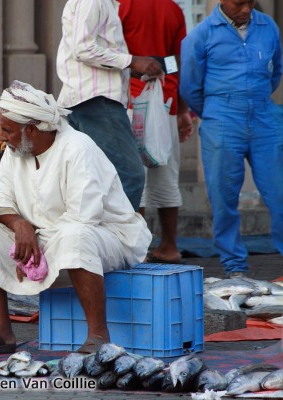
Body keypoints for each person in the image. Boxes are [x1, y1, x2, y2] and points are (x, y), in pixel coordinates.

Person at [0, 81, 152, 354]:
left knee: (76, 237)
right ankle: (1, 330)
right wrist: (20, 227)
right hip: (46, 234)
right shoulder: (16, 151)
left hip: (107, 237)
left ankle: (98, 334)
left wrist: (32, 244)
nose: (2, 138)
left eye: (8, 130)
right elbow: (0, 200)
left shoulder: (77, 148)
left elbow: (82, 217)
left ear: (32, 129)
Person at [180, 0, 283, 278]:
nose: (247, 9)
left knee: (280, 191)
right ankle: (234, 266)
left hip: (264, 115)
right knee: (223, 196)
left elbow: (276, 72)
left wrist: (257, 101)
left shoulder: (268, 25)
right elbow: (190, 86)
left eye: (250, 2)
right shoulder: (201, 35)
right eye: (240, 3)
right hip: (222, 118)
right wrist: (216, 111)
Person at [56, 0, 164, 210]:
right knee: (129, 176)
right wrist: (132, 61)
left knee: (94, 180)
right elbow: (83, 49)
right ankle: (117, 238)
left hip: (89, 100)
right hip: (96, 101)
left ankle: (102, 236)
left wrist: (132, 68)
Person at [118, 0, 194, 264]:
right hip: (166, 102)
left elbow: (113, 55)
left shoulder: (121, 6)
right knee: (166, 173)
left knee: (132, 175)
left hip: (129, 101)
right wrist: (183, 110)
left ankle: (137, 247)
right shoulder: (173, 9)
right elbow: (178, 61)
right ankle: (170, 246)